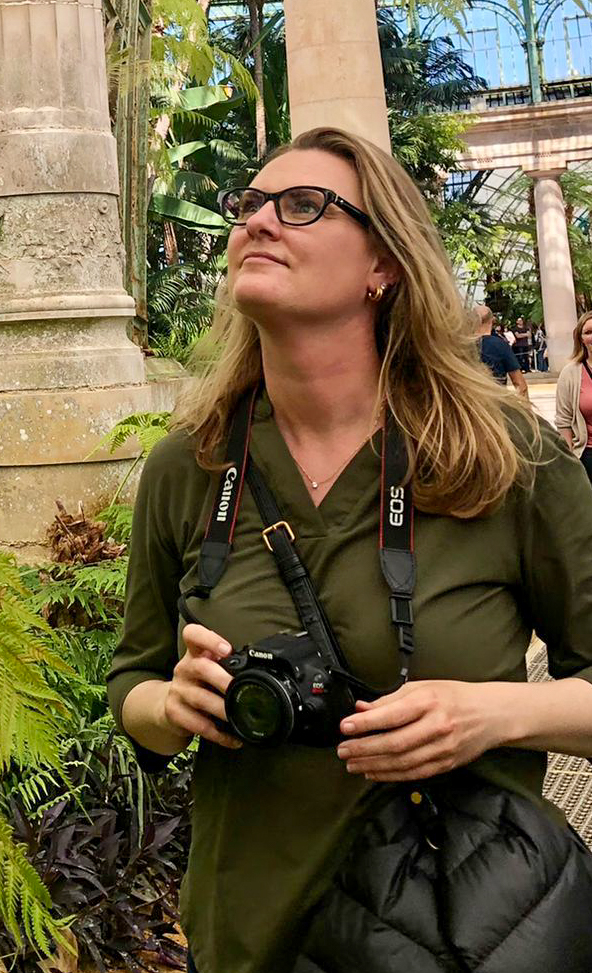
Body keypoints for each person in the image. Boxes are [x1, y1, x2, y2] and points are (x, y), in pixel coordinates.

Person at [108, 127, 592, 973]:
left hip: (456, 936)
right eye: (248, 206)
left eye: (302, 206)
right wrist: (170, 706)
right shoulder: (190, 466)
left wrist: (490, 716)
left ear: (384, 266)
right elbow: (132, 684)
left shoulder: (503, 456)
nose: (258, 222)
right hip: (245, 938)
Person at [555, 311, 592, 487]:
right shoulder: (570, 374)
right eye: (588, 332)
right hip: (588, 455)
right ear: (581, 339)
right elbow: (564, 422)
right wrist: (569, 463)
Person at [473, 302, 529, 397]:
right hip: (496, 401)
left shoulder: (461, 346)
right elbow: (519, 383)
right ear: (492, 321)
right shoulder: (500, 345)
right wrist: (526, 408)